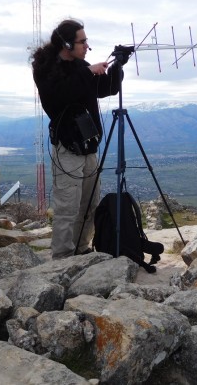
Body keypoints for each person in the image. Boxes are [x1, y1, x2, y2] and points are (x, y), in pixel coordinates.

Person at [31, 19, 122, 259]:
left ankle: (81, 249)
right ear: (67, 43)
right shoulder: (46, 69)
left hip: (88, 145)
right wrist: (89, 71)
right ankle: (62, 257)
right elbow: (60, 96)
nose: (86, 46)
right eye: (82, 41)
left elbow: (104, 89)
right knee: (67, 207)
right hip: (68, 148)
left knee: (89, 204)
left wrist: (117, 68)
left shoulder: (80, 67)